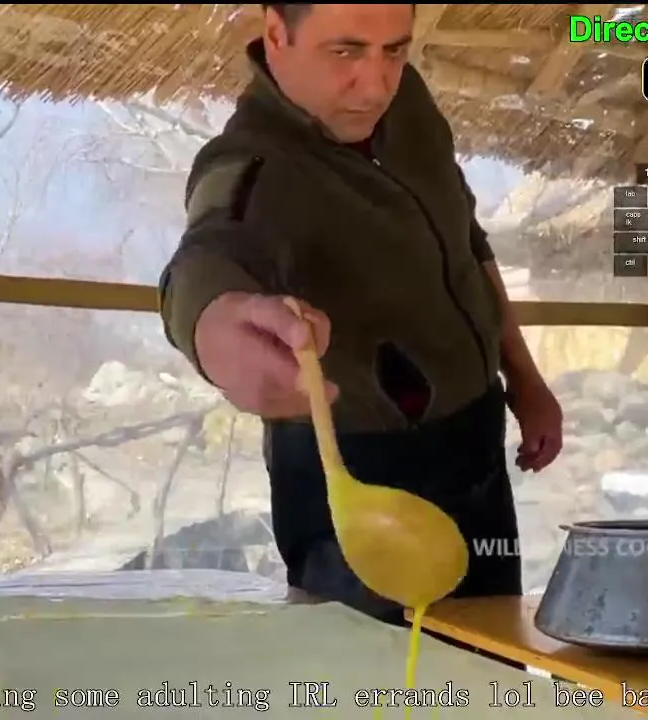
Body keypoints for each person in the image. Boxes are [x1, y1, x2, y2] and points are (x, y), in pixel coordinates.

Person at [158, 3, 564, 626]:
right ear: (277, 34)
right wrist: (212, 327)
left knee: (492, 653)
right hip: (358, 479)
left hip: (477, 442)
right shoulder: (251, 164)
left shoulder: (410, 105)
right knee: (375, 669)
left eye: (394, 50)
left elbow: (465, 241)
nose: (375, 87)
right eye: (345, 51)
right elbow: (206, 257)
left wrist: (525, 379)